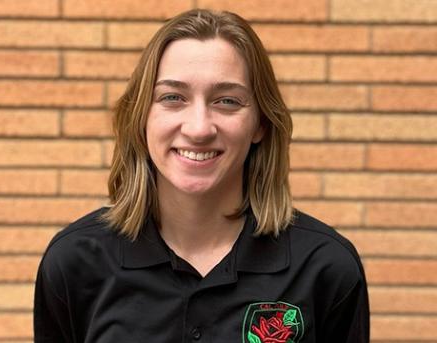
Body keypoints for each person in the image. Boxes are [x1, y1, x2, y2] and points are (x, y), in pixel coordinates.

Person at [34, 9, 369, 343]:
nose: (198, 129)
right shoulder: (74, 263)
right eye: (172, 98)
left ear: (261, 124)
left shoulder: (326, 268)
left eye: (227, 101)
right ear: (141, 118)